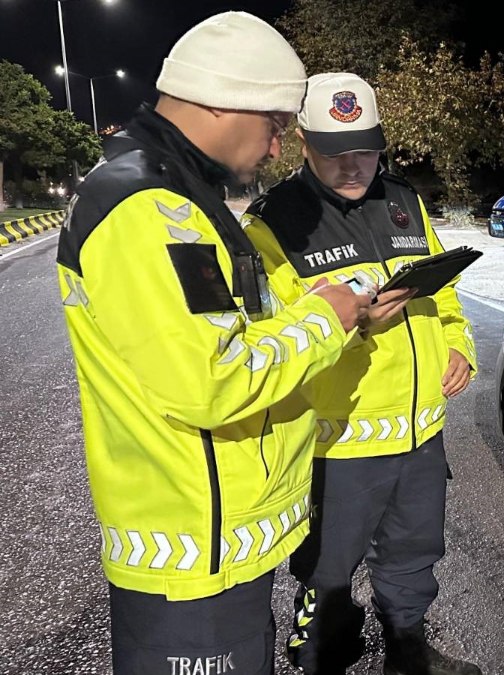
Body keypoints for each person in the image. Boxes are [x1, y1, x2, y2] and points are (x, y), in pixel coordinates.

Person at [55, 12, 373, 675]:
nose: (277, 147)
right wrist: (325, 321)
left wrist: (315, 309)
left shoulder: (179, 195)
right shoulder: (146, 207)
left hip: (217, 541)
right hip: (193, 553)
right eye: (276, 124)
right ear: (226, 100)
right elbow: (214, 377)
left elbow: (232, 329)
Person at [241, 73, 481, 675]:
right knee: (326, 570)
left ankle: (407, 652)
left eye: (366, 150)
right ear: (303, 142)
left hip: (420, 432)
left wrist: (457, 344)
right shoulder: (273, 224)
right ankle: (321, 656)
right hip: (338, 443)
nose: (353, 167)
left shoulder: (404, 200)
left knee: (414, 555)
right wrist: (355, 323)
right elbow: (267, 340)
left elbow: (443, 292)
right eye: (334, 152)